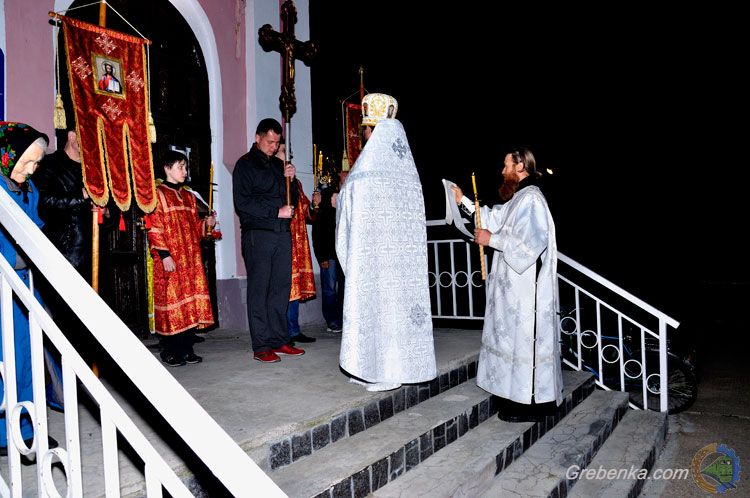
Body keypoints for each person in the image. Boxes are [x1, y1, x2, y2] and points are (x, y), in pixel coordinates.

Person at [451, 147, 563, 422]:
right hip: (513, 291)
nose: (502, 171)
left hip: (527, 293)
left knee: (525, 345)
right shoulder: (518, 199)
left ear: (520, 166)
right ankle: (515, 399)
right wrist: (462, 200)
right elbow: (492, 217)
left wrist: (492, 240)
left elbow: (531, 243)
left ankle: (532, 406)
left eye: (506, 166)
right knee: (513, 343)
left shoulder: (532, 199)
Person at [335, 93, 436, 391]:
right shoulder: (410, 175)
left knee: (380, 311)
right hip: (404, 263)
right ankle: (380, 368)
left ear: (374, 131)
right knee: (397, 312)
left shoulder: (365, 172)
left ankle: (385, 371)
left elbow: (348, 203)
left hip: (376, 260)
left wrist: (339, 198)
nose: (365, 135)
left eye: (367, 130)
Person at [0, 122, 58, 454]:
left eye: (36, 163)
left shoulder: (28, 189)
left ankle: (27, 429)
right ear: (7, 155)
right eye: (26, 162)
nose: (31, 169)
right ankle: (6, 435)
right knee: (6, 358)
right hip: (3, 285)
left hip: (24, 284)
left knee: (29, 358)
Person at [233, 118, 305, 363]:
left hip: (281, 233)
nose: (274, 147)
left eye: (277, 143)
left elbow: (291, 201)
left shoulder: (277, 164)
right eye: (270, 142)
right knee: (260, 289)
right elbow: (243, 203)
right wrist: (275, 212)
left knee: (280, 289)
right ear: (258, 138)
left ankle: (279, 340)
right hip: (258, 233)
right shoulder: (244, 164)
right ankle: (261, 345)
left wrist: (291, 181)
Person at [147, 151, 215, 366]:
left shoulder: (189, 197)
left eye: (185, 167)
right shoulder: (157, 195)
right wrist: (164, 255)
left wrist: (206, 225)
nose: (185, 171)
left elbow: (195, 228)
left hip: (190, 258)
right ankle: (171, 350)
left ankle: (187, 348)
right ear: (167, 169)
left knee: (190, 304)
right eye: (180, 167)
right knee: (173, 303)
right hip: (171, 259)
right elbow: (154, 227)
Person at [276, 140, 319, 344]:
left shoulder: (296, 182)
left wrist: (314, 206)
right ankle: (283, 331)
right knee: (284, 286)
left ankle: (293, 329)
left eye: (288, 152)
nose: (287, 155)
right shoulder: (272, 177)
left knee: (295, 287)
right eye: (283, 151)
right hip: (281, 238)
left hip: (298, 240)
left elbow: (303, 209)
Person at [311, 167, 347, 334]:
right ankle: (332, 321)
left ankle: (345, 319)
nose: (346, 175)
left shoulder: (352, 195)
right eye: (344, 172)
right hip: (329, 253)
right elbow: (318, 229)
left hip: (346, 253)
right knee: (330, 289)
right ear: (338, 176)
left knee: (346, 289)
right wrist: (321, 256)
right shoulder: (326, 197)